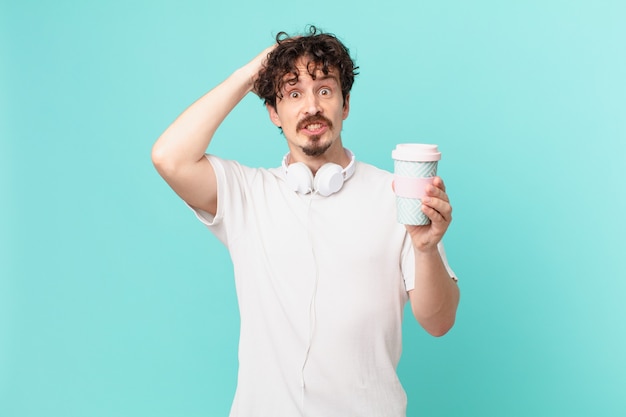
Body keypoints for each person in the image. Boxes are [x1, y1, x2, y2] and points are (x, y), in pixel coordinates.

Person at [152, 26, 460, 417]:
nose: (311, 107)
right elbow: (168, 157)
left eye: (325, 90)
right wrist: (250, 74)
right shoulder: (247, 193)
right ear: (273, 113)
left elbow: (439, 322)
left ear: (345, 105)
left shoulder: (398, 196)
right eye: (293, 93)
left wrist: (426, 248)